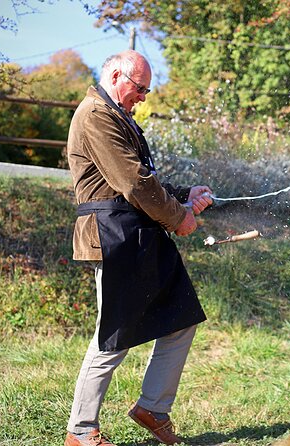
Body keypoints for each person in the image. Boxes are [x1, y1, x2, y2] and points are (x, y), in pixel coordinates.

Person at [64, 49, 213, 446]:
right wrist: (178, 217)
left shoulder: (117, 115)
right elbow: (132, 183)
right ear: (115, 75)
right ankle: (81, 433)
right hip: (115, 234)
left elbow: (143, 179)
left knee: (181, 318)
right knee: (113, 337)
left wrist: (185, 195)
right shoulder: (95, 115)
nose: (144, 97)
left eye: (147, 89)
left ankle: (153, 408)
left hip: (139, 231)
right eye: (140, 88)